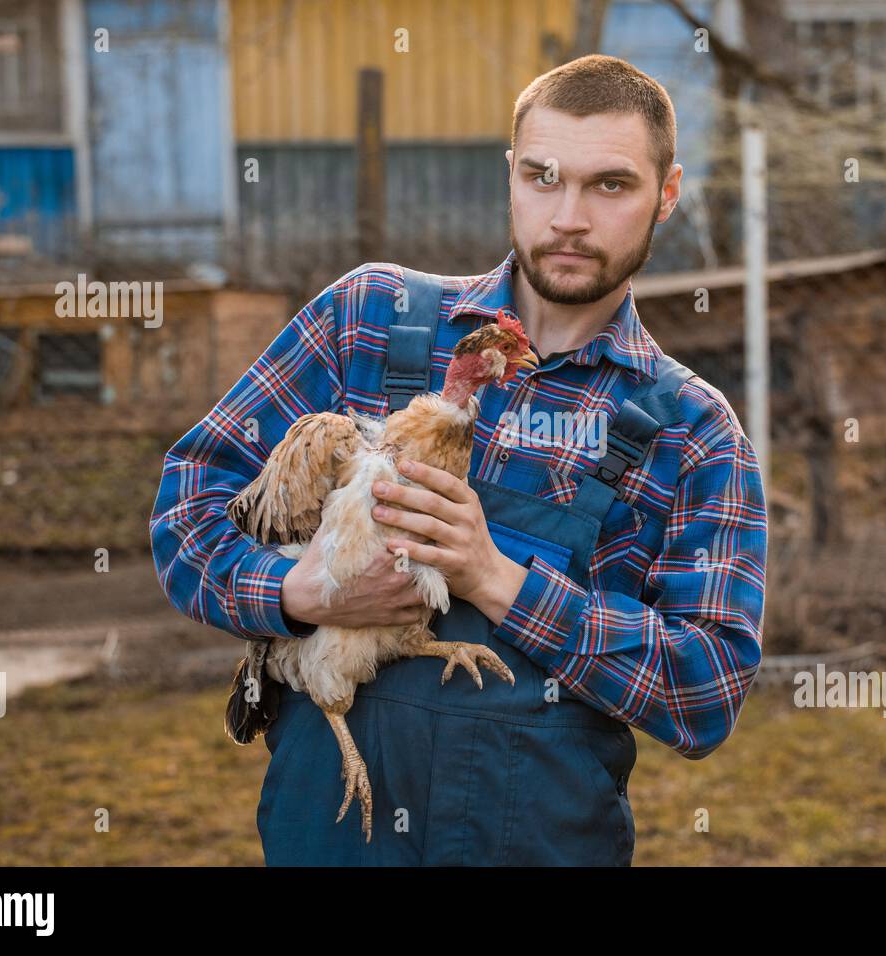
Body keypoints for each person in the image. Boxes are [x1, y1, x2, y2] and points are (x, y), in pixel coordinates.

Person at [150, 54, 768, 866]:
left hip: (536, 843)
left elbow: (706, 689)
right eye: (543, 178)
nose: (569, 217)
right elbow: (188, 510)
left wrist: (498, 581)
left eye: (609, 185)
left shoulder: (690, 430)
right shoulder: (368, 322)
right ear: (511, 176)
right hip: (333, 833)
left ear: (668, 192)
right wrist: (303, 592)